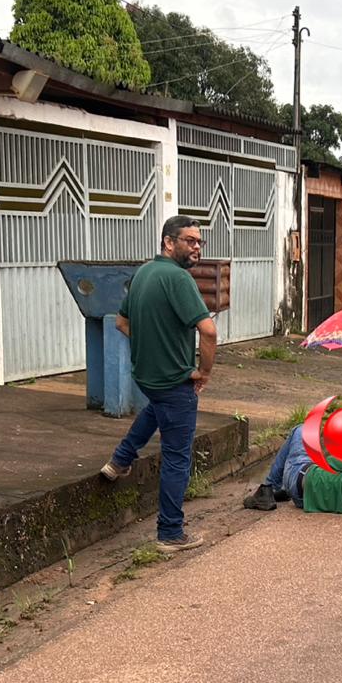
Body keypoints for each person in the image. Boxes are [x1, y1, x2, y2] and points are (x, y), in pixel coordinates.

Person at [100, 215, 218, 552]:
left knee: (156, 409)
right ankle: (170, 533)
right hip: (175, 381)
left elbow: (122, 323)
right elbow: (208, 331)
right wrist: (204, 371)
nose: (196, 247)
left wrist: (151, 347)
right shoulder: (178, 278)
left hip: (148, 377)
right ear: (168, 242)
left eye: (199, 242)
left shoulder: (144, 273)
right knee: (177, 457)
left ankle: (120, 461)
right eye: (189, 241)